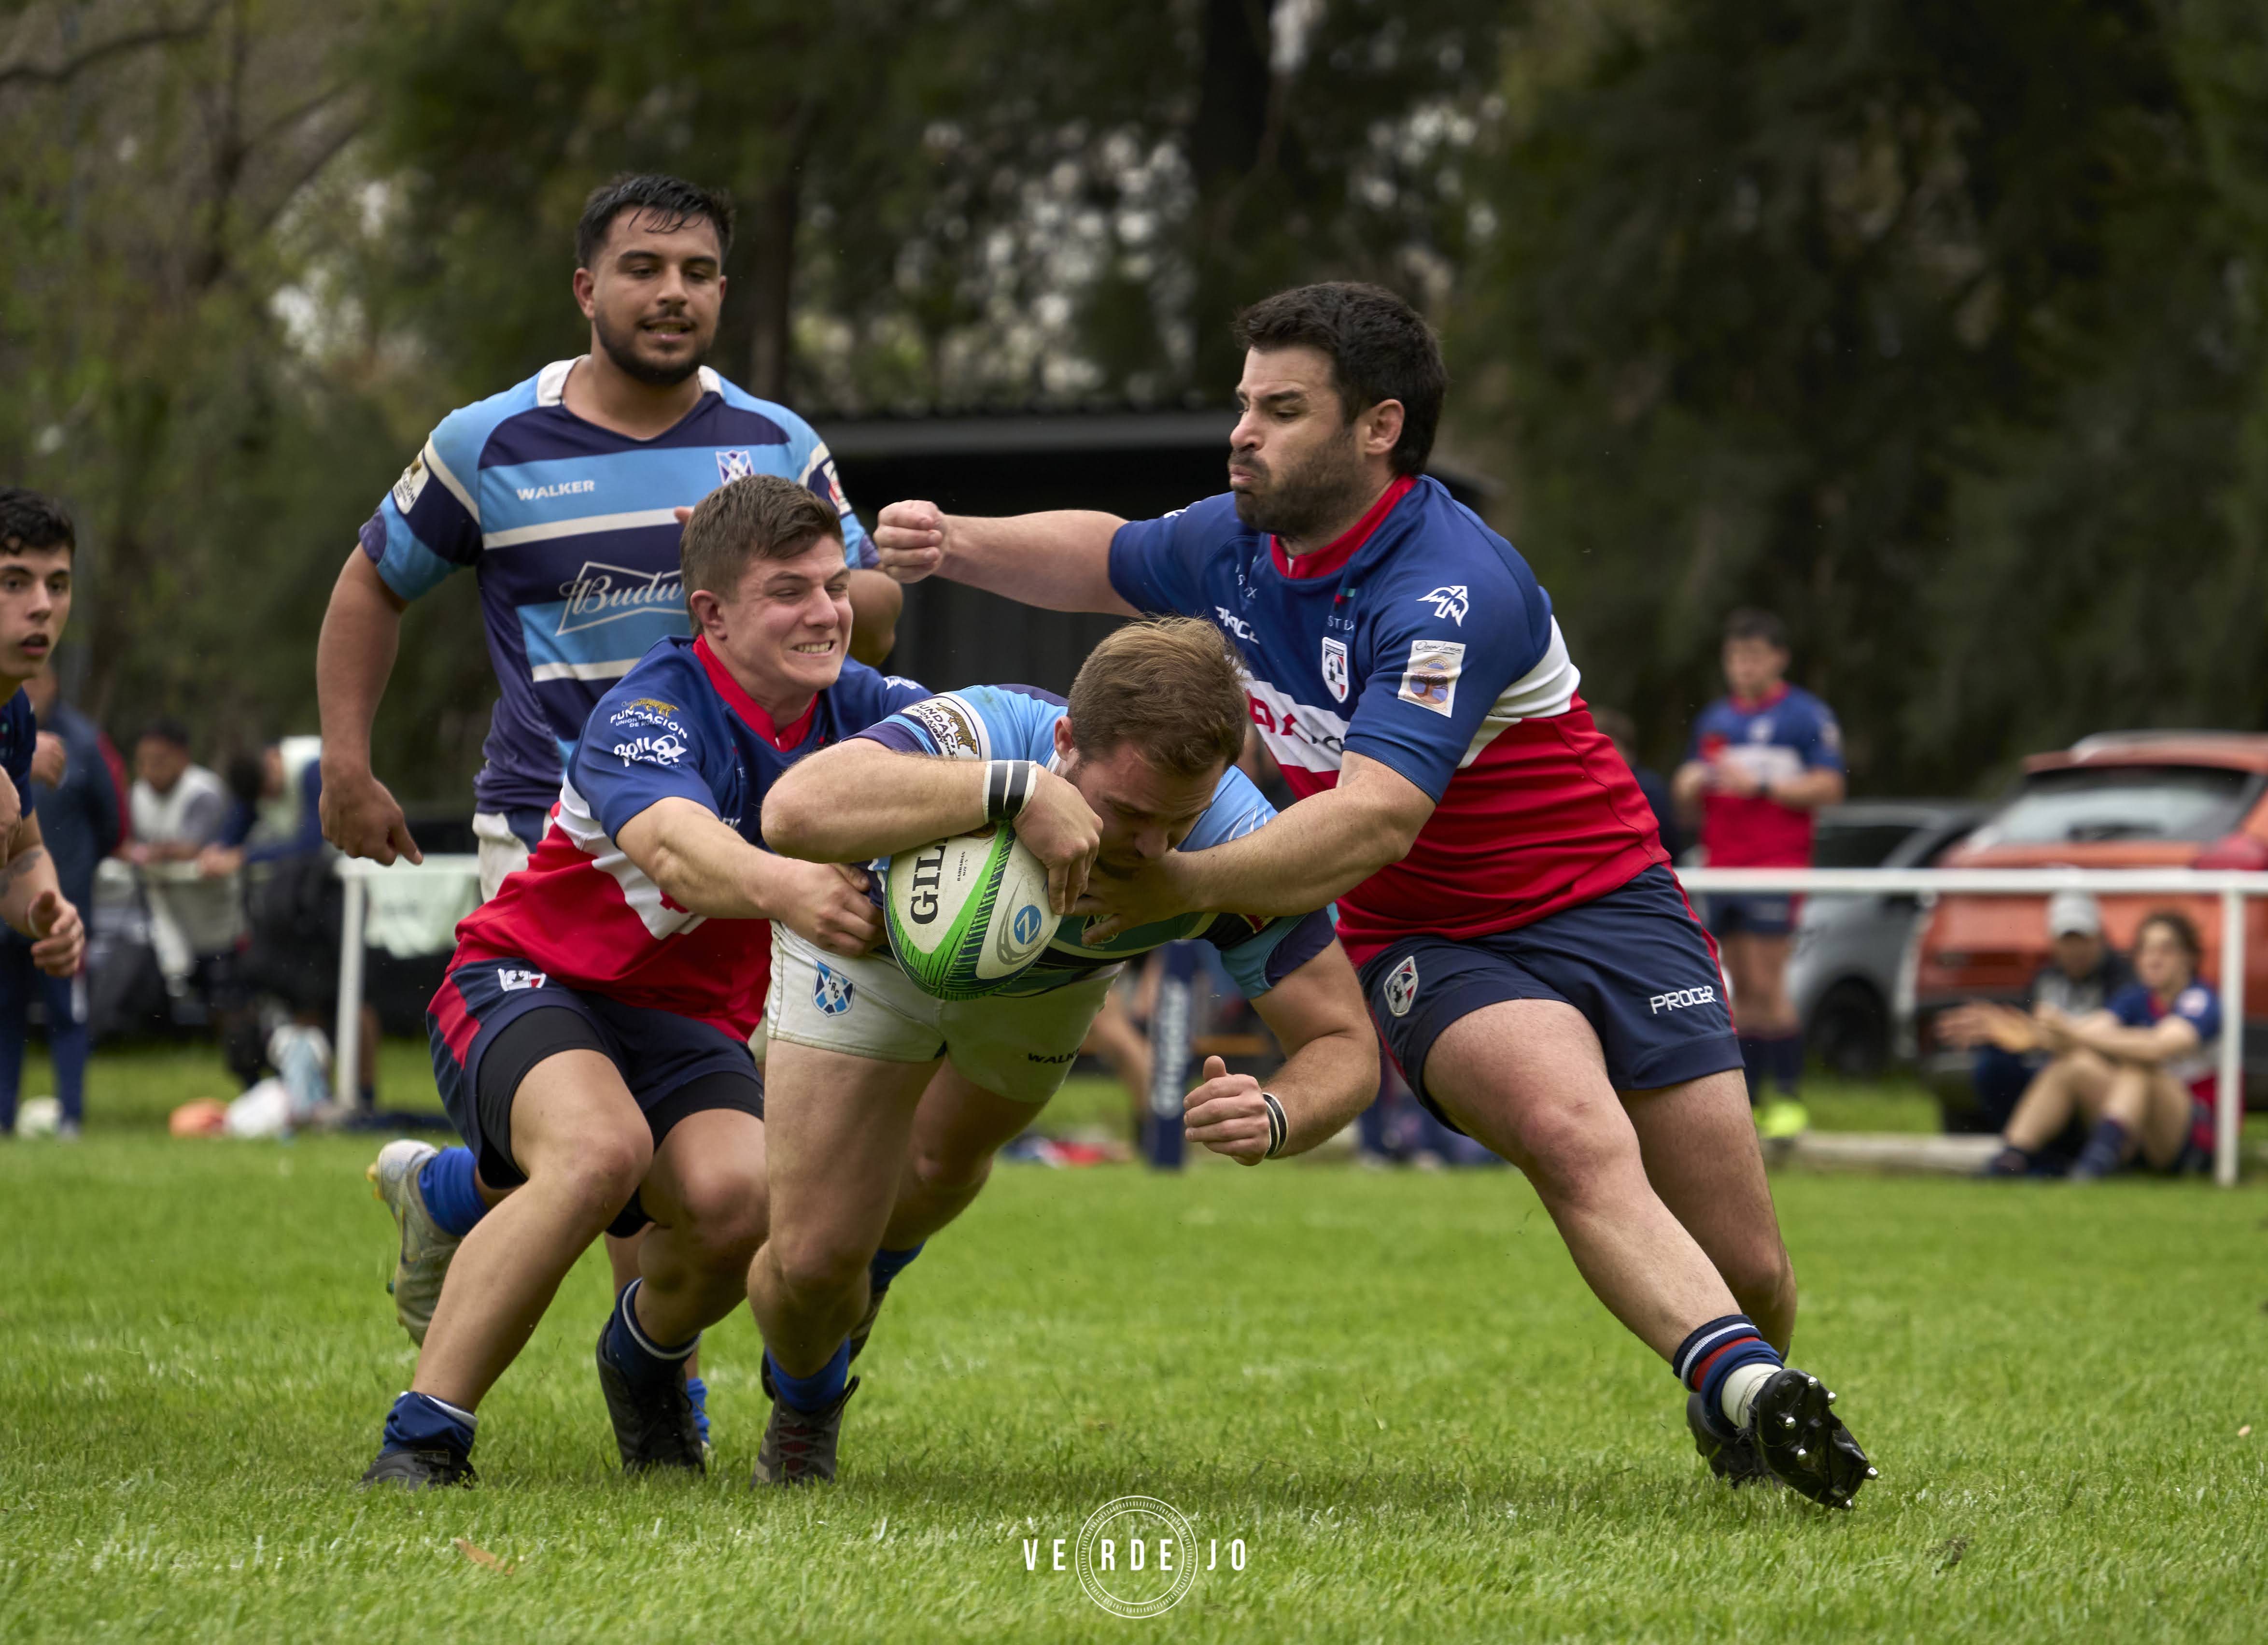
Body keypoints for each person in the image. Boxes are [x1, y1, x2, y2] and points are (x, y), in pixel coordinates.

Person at [872, 282, 1874, 1506]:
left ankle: (1738, 1377)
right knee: (1573, 1135)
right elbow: (1106, 556)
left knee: (1754, 1268)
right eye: (1244, 404)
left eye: (1281, 410)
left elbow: (1375, 811)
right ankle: (1751, 1385)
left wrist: (1172, 887)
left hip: (1613, 901)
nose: (1242, 432)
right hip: (1432, 934)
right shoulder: (1238, 546)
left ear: (1377, 427)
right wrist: (952, 545)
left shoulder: (1453, 584)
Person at [323, 173, 901, 1422]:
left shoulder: (776, 445)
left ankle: (455, 1202)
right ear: (588, 288)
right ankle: (658, 1401)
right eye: (643, 268)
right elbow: (372, 583)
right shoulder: (492, 441)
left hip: (730, 846)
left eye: (697, 272)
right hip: (548, 825)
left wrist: (806, 578)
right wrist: (348, 761)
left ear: (724, 294)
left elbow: (857, 605)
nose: (672, 293)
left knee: (682, 1160)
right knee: (599, 1144)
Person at [361, 475, 928, 1489]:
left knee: (744, 1200)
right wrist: (793, 885)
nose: (826, 612)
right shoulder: (653, 704)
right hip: (523, 980)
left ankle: (640, 1358)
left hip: (679, 1025)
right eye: (788, 592)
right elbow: (678, 850)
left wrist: (1053, 779)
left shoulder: (864, 707)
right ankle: (423, 1437)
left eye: (835, 587)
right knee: (597, 1151)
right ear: (710, 613)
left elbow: (994, 730)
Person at [749, 617, 1378, 1482]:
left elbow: (1344, 1043)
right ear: (1067, 742)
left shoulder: (1233, 841)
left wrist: (1277, 1111)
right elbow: (792, 811)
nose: (1154, 847)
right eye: (1128, 813)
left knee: (935, 1174)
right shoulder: (992, 728)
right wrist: (1009, 793)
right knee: (815, 1262)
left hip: (1045, 993)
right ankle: (806, 1402)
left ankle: (875, 1273)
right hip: (866, 954)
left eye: (1180, 817)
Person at [1672, 610, 1845, 1140]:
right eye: (1734, 657)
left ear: (1777, 659)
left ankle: (1789, 1099)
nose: (1741, 667)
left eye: (1752, 656)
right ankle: (1751, 1103)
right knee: (1738, 985)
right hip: (1722, 865)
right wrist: (1692, 781)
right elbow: (1685, 798)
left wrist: (1763, 787)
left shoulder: (1804, 716)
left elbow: (1829, 788)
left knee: (1768, 981)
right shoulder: (1717, 720)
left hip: (1775, 865)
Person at [1982, 909, 2221, 1181]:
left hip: (2192, 1136)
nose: (2154, 960)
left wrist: (2069, 1031)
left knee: (2139, 1064)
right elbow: (2093, 1028)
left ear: (2189, 957)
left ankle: (2093, 1166)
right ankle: (2011, 1158)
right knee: (2075, 1065)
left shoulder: (2200, 1000)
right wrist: (2036, 1035)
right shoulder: (2133, 998)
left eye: (2166, 950)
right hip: (2136, 1127)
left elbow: (2157, 1047)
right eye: (2146, 951)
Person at [0, 665, 121, 1138]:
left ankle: (71, 1117)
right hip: (6, 914)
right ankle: (4, 1117)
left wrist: (68, 879)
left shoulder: (85, 743)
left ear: (52, 680)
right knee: (5, 1014)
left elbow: (110, 824)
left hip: (58, 902)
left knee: (67, 1014)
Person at [0, 491, 90, 1120]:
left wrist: (46, 910)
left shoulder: (16, 715)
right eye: (14, 582)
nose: (41, 606)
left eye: (57, 585)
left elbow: (24, 848)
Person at [1938, 890, 2133, 1137]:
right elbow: (2028, 1028)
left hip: (2093, 1074)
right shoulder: (2046, 978)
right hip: (2048, 1066)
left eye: (2082, 938)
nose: (2075, 949)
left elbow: (2111, 1030)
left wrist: (2039, 1034)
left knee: (2074, 1068)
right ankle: (2017, 1150)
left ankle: (2027, 1151)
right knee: (1994, 1060)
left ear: (2100, 936)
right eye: (2067, 939)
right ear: (2053, 942)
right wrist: (2008, 1029)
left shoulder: (2123, 980)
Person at [1592, 706, 1685, 862]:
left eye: (1608, 750)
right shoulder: (1576, 790)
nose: (1601, 759)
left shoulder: (1649, 790)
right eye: (1595, 751)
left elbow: (1668, 846)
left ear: (1630, 753)